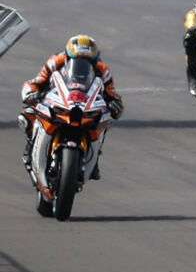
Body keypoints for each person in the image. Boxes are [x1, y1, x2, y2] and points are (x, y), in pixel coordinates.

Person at [20, 36, 124, 181]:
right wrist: (31, 92)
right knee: (29, 112)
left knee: (104, 120)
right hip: (57, 99)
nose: (81, 67)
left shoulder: (103, 71)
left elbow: (112, 94)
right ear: (68, 58)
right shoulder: (55, 62)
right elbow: (36, 81)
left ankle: (95, 159)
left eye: (87, 63)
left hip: (85, 102)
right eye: (77, 61)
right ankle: (30, 146)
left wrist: (115, 105)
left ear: (95, 61)